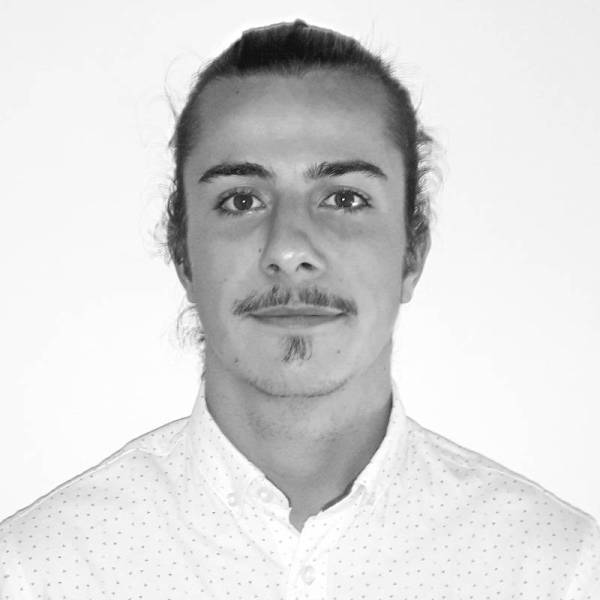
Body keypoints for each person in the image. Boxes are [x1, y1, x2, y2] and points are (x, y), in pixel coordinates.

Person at [1, 19, 598, 599]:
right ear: (183, 253)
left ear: (412, 252)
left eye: (344, 198)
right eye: (241, 200)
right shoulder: (33, 575)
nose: (288, 250)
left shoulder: (560, 573)